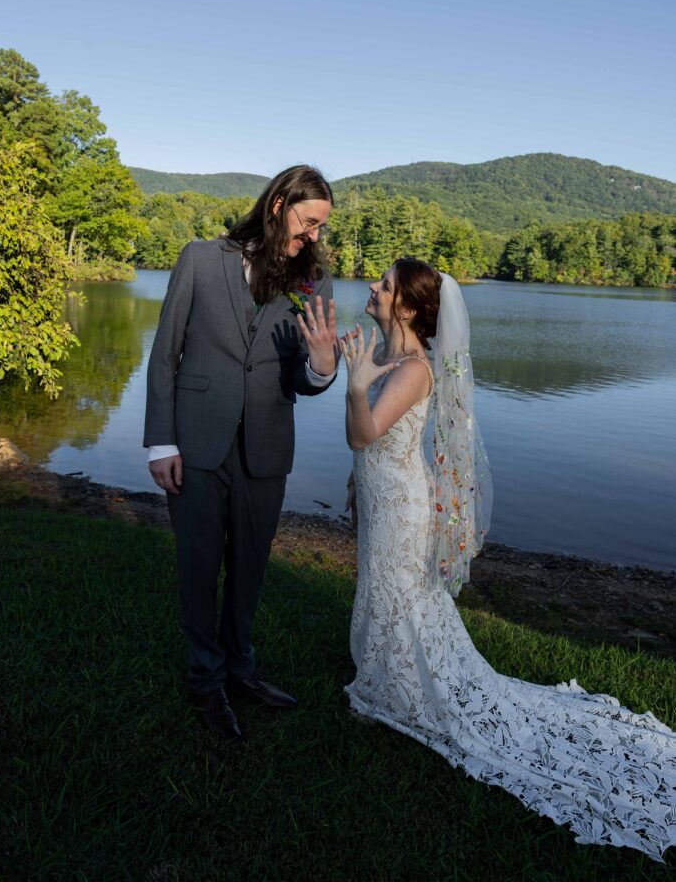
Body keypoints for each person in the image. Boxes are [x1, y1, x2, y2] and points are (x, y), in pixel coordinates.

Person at [340, 257, 676, 862]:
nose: (372, 285)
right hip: (385, 497)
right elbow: (373, 449)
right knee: (385, 588)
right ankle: (387, 675)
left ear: (409, 308)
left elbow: (363, 434)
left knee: (399, 592)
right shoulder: (389, 356)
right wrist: (346, 370)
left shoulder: (413, 369)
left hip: (403, 507)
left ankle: (395, 689)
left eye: (384, 284)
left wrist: (354, 383)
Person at [144, 165, 339, 740]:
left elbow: (303, 377)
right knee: (200, 567)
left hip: (267, 448)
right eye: (309, 223)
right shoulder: (201, 259)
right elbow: (164, 356)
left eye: (323, 227)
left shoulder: (315, 280)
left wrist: (324, 367)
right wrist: (161, 442)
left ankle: (240, 669)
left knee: (249, 569)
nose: (315, 237)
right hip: (196, 441)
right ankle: (205, 683)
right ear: (278, 204)